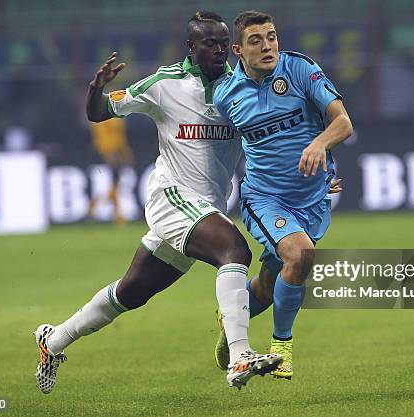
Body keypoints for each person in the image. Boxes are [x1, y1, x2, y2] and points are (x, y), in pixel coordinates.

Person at [33, 11, 282, 394]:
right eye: (209, 44)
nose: (218, 51)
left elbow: (268, 140)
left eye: (222, 44)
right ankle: (239, 355)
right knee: (234, 250)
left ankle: (53, 341)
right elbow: (98, 113)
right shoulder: (164, 84)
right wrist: (94, 90)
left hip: (207, 206)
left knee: (129, 293)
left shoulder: (241, 88)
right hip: (172, 199)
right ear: (191, 47)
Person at [213, 10, 354, 379]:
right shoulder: (225, 96)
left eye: (272, 37)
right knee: (301, 254)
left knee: (267, 284)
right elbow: (219, 149)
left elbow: (342, 122)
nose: (267, 46)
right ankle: (282, 348)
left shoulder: (300, 70)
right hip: (264, 198)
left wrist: (321, 147)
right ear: (237, 50)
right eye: (256, 40)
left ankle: (232, 317)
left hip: (311, 200)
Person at [87, 117, 134, 224]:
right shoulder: (103, 116)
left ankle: (98, 209)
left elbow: (120, 137)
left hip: (116, 152)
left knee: (114, 183)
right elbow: (101, 136)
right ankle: (97, 208)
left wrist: (125, 151)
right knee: (112, 183)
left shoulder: (116, 115)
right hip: (108, 152)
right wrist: (108, 153)